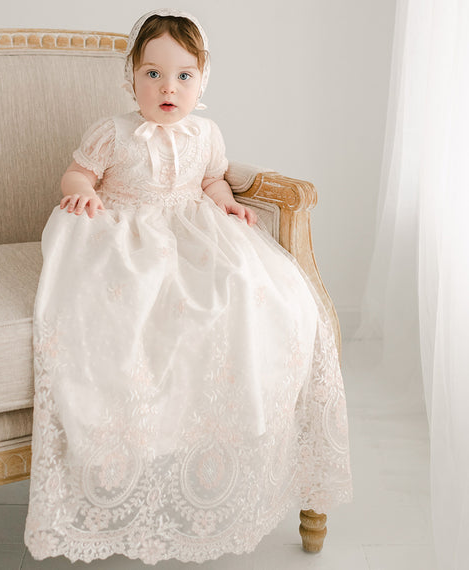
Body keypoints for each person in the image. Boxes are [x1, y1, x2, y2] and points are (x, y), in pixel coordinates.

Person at [24, 9, 352, 566]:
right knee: (131, 299)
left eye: (183, 75)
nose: (167, 87)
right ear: (131, 78)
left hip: (193, 226)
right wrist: (83, 192)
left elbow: (212, 177)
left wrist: (223, 200)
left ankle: (238, 433)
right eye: (152, 74)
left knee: (247, 285)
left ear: (202, 81)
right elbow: (78, 172)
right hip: (127, 230)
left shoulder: (206, 133)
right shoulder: (112, 132)